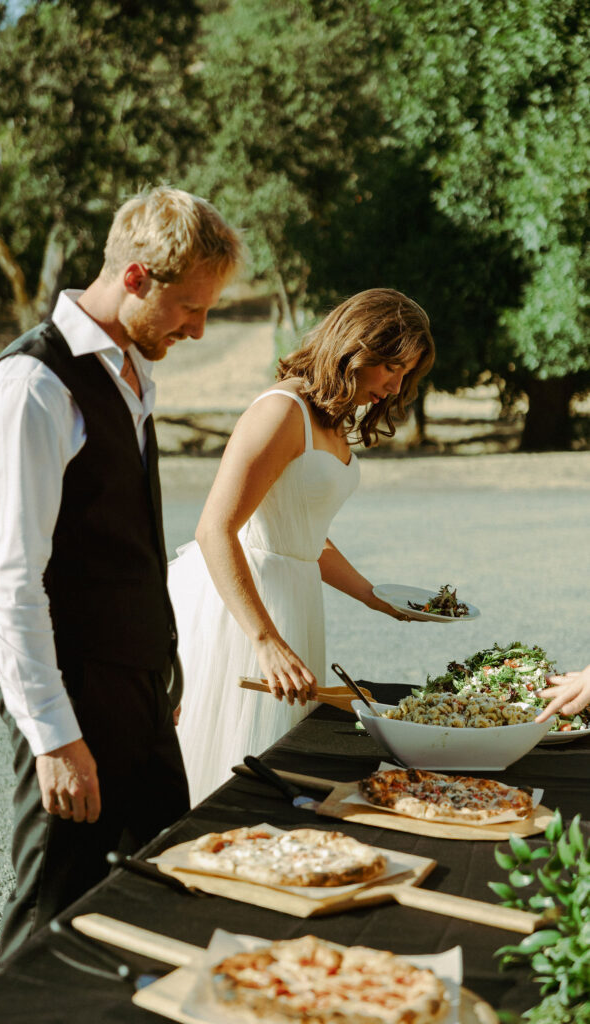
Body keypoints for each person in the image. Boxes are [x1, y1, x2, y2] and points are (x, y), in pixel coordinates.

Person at [0, 185, 243, 960]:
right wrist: (55, 738)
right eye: (190, 307)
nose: (199, 328)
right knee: (50, 925)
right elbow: (7, 584)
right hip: (75, 702)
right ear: (133, 278)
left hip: (139, 697)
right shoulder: (31, 388)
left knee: (160, 899)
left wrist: (163, 676)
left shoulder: (127, 371)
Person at [169, 288, 435, 804]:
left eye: (407, 375)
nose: (397, 385)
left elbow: (303, 534)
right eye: (392, 369)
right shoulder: (281, 411)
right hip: (243, 611)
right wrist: (264, 641)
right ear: (358, 348)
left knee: (277, 760)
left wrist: (375, 596)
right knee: (233, 771)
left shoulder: (333, 418)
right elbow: (214, 530)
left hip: (295, 603)